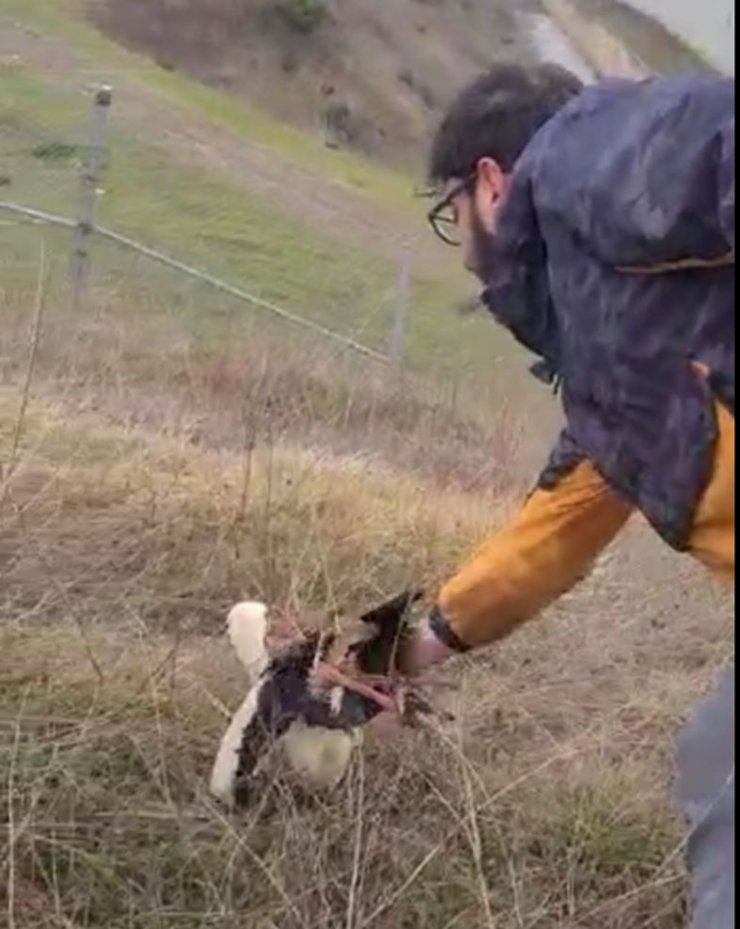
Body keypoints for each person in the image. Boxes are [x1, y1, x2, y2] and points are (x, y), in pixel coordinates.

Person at [397, 63, 734, 927]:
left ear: (491, 182)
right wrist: (405, 651)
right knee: (715, 757)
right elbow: (559, 522)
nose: (462, 235)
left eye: (453, 211)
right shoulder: (611, 349)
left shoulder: (584, 155)